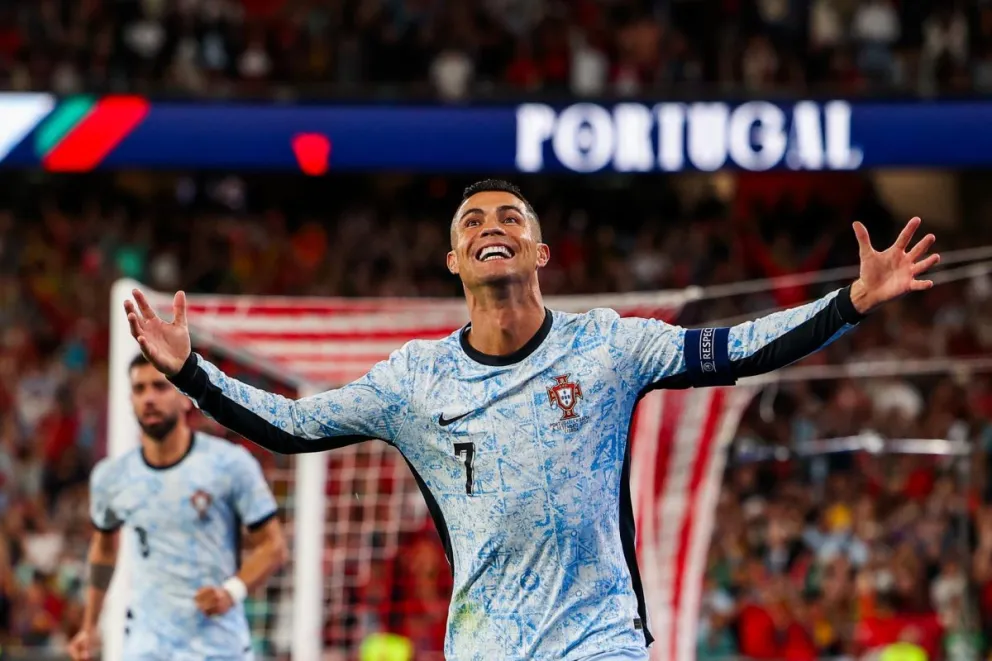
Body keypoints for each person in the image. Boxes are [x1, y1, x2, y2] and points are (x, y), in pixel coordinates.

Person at [123, 180, 939, 661]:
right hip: (488, 645)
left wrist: (851, 303)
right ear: (453, 262)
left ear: (540, 253)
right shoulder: (414, 379)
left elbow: (733, 349)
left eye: (511, 218)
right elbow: (291, 426)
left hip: (602, 637)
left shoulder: (608, 347)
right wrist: (190, 370)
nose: (492, 229)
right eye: (473, 223)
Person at [67, 354, 288, 661]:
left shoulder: (229, 464)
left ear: (186, 399)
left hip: (218, 647)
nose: (149, 398)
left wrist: (232, 591)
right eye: (140, 389)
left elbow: (274, 546)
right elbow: (104, 549)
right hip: (146, 648)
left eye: (160, 387)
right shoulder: (112, 477)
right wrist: (89, 626)